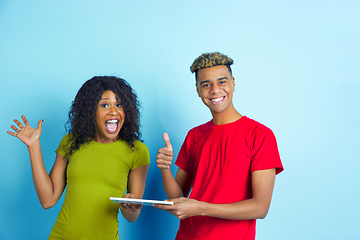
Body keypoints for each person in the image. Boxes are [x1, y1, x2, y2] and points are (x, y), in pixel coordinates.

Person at [155, 52, 284, 240]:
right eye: (206, 84)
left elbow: (260, 207)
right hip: (188, 235)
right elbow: (178, 197)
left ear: (233, 83)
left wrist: (201, 207)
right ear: (198, 90)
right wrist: (165, 169)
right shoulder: (194, 135)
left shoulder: (260, 135)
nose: (215, 90)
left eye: (222, 82)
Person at [7, 76, 150, 240]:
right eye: (105, 105)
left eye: (119, 104)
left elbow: (133, 217)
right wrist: (33, 146)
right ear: (90, 111)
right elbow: (48, 199)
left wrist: (130, 208)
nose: (113, 111)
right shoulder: (71, 142)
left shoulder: (137, 151)